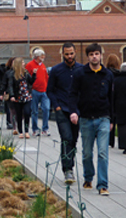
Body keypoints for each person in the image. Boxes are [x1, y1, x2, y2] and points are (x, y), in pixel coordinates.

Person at [69, 43, 114, 196]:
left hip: (103, 118)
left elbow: (112, 98)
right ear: (87, 57)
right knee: (87, 153)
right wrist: (74, 112)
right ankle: (88, 176)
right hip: (86, 118)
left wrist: (112, 119)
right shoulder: (80, 74)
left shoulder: (108, 75)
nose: (94, 57)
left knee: (102, 152)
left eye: (97, 54)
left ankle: (102, 184)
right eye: (91, 54)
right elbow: (73, 94)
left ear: (101, 55)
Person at [47, 42, 84, 185]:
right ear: (62, 54)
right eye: (67, 54)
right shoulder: (56, 70)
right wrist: (56, 106)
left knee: (73, 139)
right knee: (66, 138)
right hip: (62, 109)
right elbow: (50, 90)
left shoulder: (81, 69)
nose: (69, 56)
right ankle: (68, 169)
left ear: (75, 53)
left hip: (77, 110)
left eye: (71, 53)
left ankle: (70, 164)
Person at [7, 57, 35, 139]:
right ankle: (20, 131)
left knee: (27, 113)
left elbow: (31, 81)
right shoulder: (12, 74)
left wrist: (34, 75)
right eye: (22, 62)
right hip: (18, 97)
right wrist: (12, 95)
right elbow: (10, 86)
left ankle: (26, 131)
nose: (24, 64)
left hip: (27, 97)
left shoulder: (26, 73)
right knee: (18, 115)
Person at [26, 49, 50, 137]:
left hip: (44, 90)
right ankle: (35, 129)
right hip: (34, 90)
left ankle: (45, 128)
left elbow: (46, 77)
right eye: (42, 56)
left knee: (46, 109)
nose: (43, 57)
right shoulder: (30, 65)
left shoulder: (43, 65)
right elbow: (27, 77)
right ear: (37, 56)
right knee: (34, 111)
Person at [105, 53, 121, 148]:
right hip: (117, 100)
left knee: (108, 120)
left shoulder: (105, 73)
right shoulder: (119, 74)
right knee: (116, 120)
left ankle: (109, 141)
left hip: (107, 99)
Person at [1, 57, 17, 133]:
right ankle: (9, 122)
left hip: (17, 92)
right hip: (8, 92)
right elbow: (4, 82)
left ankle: (14, 122)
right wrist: (3, 91)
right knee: (9, 109)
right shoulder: (7, 72)